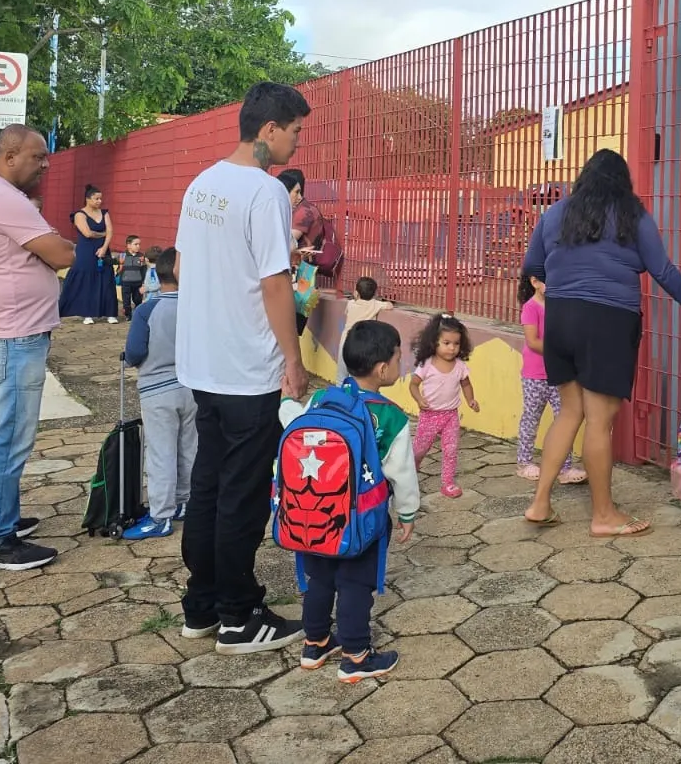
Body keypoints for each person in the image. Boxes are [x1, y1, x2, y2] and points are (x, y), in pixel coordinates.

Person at [521, 148, 681, 538]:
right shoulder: (633, 215)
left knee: (569, 413)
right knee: (600, 422)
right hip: (608, 321)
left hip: (560, 318)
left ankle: (540, 503)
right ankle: (604, 515)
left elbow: (533, 265)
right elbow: (661, 269)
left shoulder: (553, 214)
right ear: (623, 182)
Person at [174, 81, 311, 655]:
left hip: (201, 363)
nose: (298, 145)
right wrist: (293, 359)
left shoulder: (201, 183)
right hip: (246, 368)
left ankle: (200, 604)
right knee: (243, 493)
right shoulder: (265, 191)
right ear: (269, 130)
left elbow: (181, 267)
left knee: (207, 484)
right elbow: (276, 282)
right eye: (296, 132)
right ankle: (238, 616)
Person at [0, 125, 77, 573]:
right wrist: (51, 248)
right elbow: (63, 253)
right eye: (38, 157)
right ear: (9, 155)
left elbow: (49, 251)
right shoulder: (4, 199)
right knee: (8, 439)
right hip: (13, 337)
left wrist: (45, 250)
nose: (45, 165)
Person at [284, 320, 419, 683]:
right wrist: (407, 512)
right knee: (355, 585)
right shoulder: (391, 416)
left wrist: (284, 400)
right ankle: (357, 656)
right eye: (398, 357)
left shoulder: (321, 399)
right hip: (363, 521)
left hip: (315, 513)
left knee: (318, 580)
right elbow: (402, 473)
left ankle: (315, 644)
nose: (400, 364)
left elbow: (291, 422)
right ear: (382, 369)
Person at [122, 249, 196, 541]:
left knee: (161, 453)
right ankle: (184, 502)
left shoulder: (147, 309)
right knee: (189, 447)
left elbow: (135, 352)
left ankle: (160, 516)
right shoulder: (196, 308)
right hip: (191, 388)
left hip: (157, 391)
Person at [517, 274, 584, 485]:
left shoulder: (560, 307)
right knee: (531, 419)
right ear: (535, 282)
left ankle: (565, 468)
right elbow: (533, 341)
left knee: (564, 420)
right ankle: (524, 462)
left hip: (559, 374)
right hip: (534, 376)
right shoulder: (530, 307)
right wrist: (562, 351)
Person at [409, 314, 478, 498]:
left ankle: (447, 483)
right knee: (419, 450)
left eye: (456, 344)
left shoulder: (460, 366)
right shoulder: (427, 364)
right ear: (434, 342)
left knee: (451, 449)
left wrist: (471, 400)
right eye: (446, 343)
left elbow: (466, 384)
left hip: (450, 415)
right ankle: (410, 472)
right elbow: (413, 384)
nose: (452, 348)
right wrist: (419, 399)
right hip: (430, 415)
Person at [58, 184, 119, 324]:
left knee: (106, 279)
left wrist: (104, 248)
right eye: (96, 199)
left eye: (100, 198)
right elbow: (87, 233)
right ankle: (87, 313)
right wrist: (103, 233)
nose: (99, 201)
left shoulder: (105, 213)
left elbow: (111, 231)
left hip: (103, 251)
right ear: (88, 199)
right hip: (86, 252)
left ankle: (110, 312)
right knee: (85, 280)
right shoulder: (79, 215)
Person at [279, 168, 322, 336]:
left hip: (301, 272)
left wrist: (296, 251)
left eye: (300, 191)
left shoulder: (303, 211)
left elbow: (286, 243)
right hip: (295, 273)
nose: (299, 196)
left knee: (294, 323)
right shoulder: (289, 211)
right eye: (296, 192)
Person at [338, 277, 390, 379]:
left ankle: (339, 393)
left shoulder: (351, 304)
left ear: (356, 293)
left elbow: (347, 312)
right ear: (374, 294)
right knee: (356, 376)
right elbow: (389, 306)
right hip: (362, 344)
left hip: (346, 341)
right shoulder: (376, 305)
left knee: (341, 375)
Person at [119, 235, 148, 321]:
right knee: (126, 301)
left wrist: (143, 282)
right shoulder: (122, 256)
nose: (138, 246)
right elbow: (115, 264)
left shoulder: (141, 257)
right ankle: (128, 315)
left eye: (139, 244)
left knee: (138, 300)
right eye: (136, 244)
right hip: (126, 282)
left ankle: (137, 314)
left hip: (138, 283)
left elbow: (144, 270)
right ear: (128, 245)